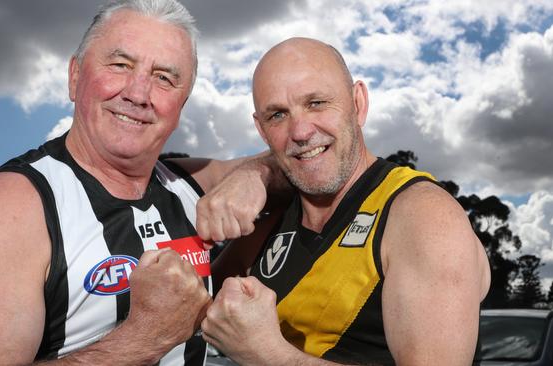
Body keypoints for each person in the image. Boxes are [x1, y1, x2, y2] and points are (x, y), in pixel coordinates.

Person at [0, 1, 277, 365]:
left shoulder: (188, 183)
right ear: (75, 77)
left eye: (164, 78)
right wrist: (143, 338)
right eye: (120, 65)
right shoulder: (11, 209)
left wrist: (256, 175)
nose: (138, 94)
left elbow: (295, 162)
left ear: (182, 103)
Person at [200, 37, 491, 366]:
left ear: (358, 103)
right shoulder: (273, 215)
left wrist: (266, 354)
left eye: (317, 103)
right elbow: (198, 302)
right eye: (278, 115)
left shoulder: (423, 215)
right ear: (262, 130)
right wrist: (253, 172)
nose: (301, 131)